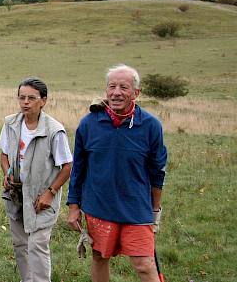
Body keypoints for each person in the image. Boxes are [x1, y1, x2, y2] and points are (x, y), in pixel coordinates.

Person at [66, 64, 168, 282]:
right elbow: (78, 169)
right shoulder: (88, 124)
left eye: (124, 87)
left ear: (136, 93)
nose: (116, 92)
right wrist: (74, 207)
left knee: (144, 264)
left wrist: (155, 210)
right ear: (106, 91)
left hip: (136, 208)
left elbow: (157, 172)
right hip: (98, 206)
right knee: (100, 257)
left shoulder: (151, 126)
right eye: (112, 86)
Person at [0, 78, 72, 282]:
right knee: (20, 244)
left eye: (31, 98)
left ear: (43, 101)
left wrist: (50, 193)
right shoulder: (11, 123)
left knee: (37, 245)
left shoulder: (54, 130)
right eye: (22, 97)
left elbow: (67, 167)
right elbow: (4, 155)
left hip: (41, 198)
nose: (25, 102)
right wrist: (7, 174)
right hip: (16, 194)